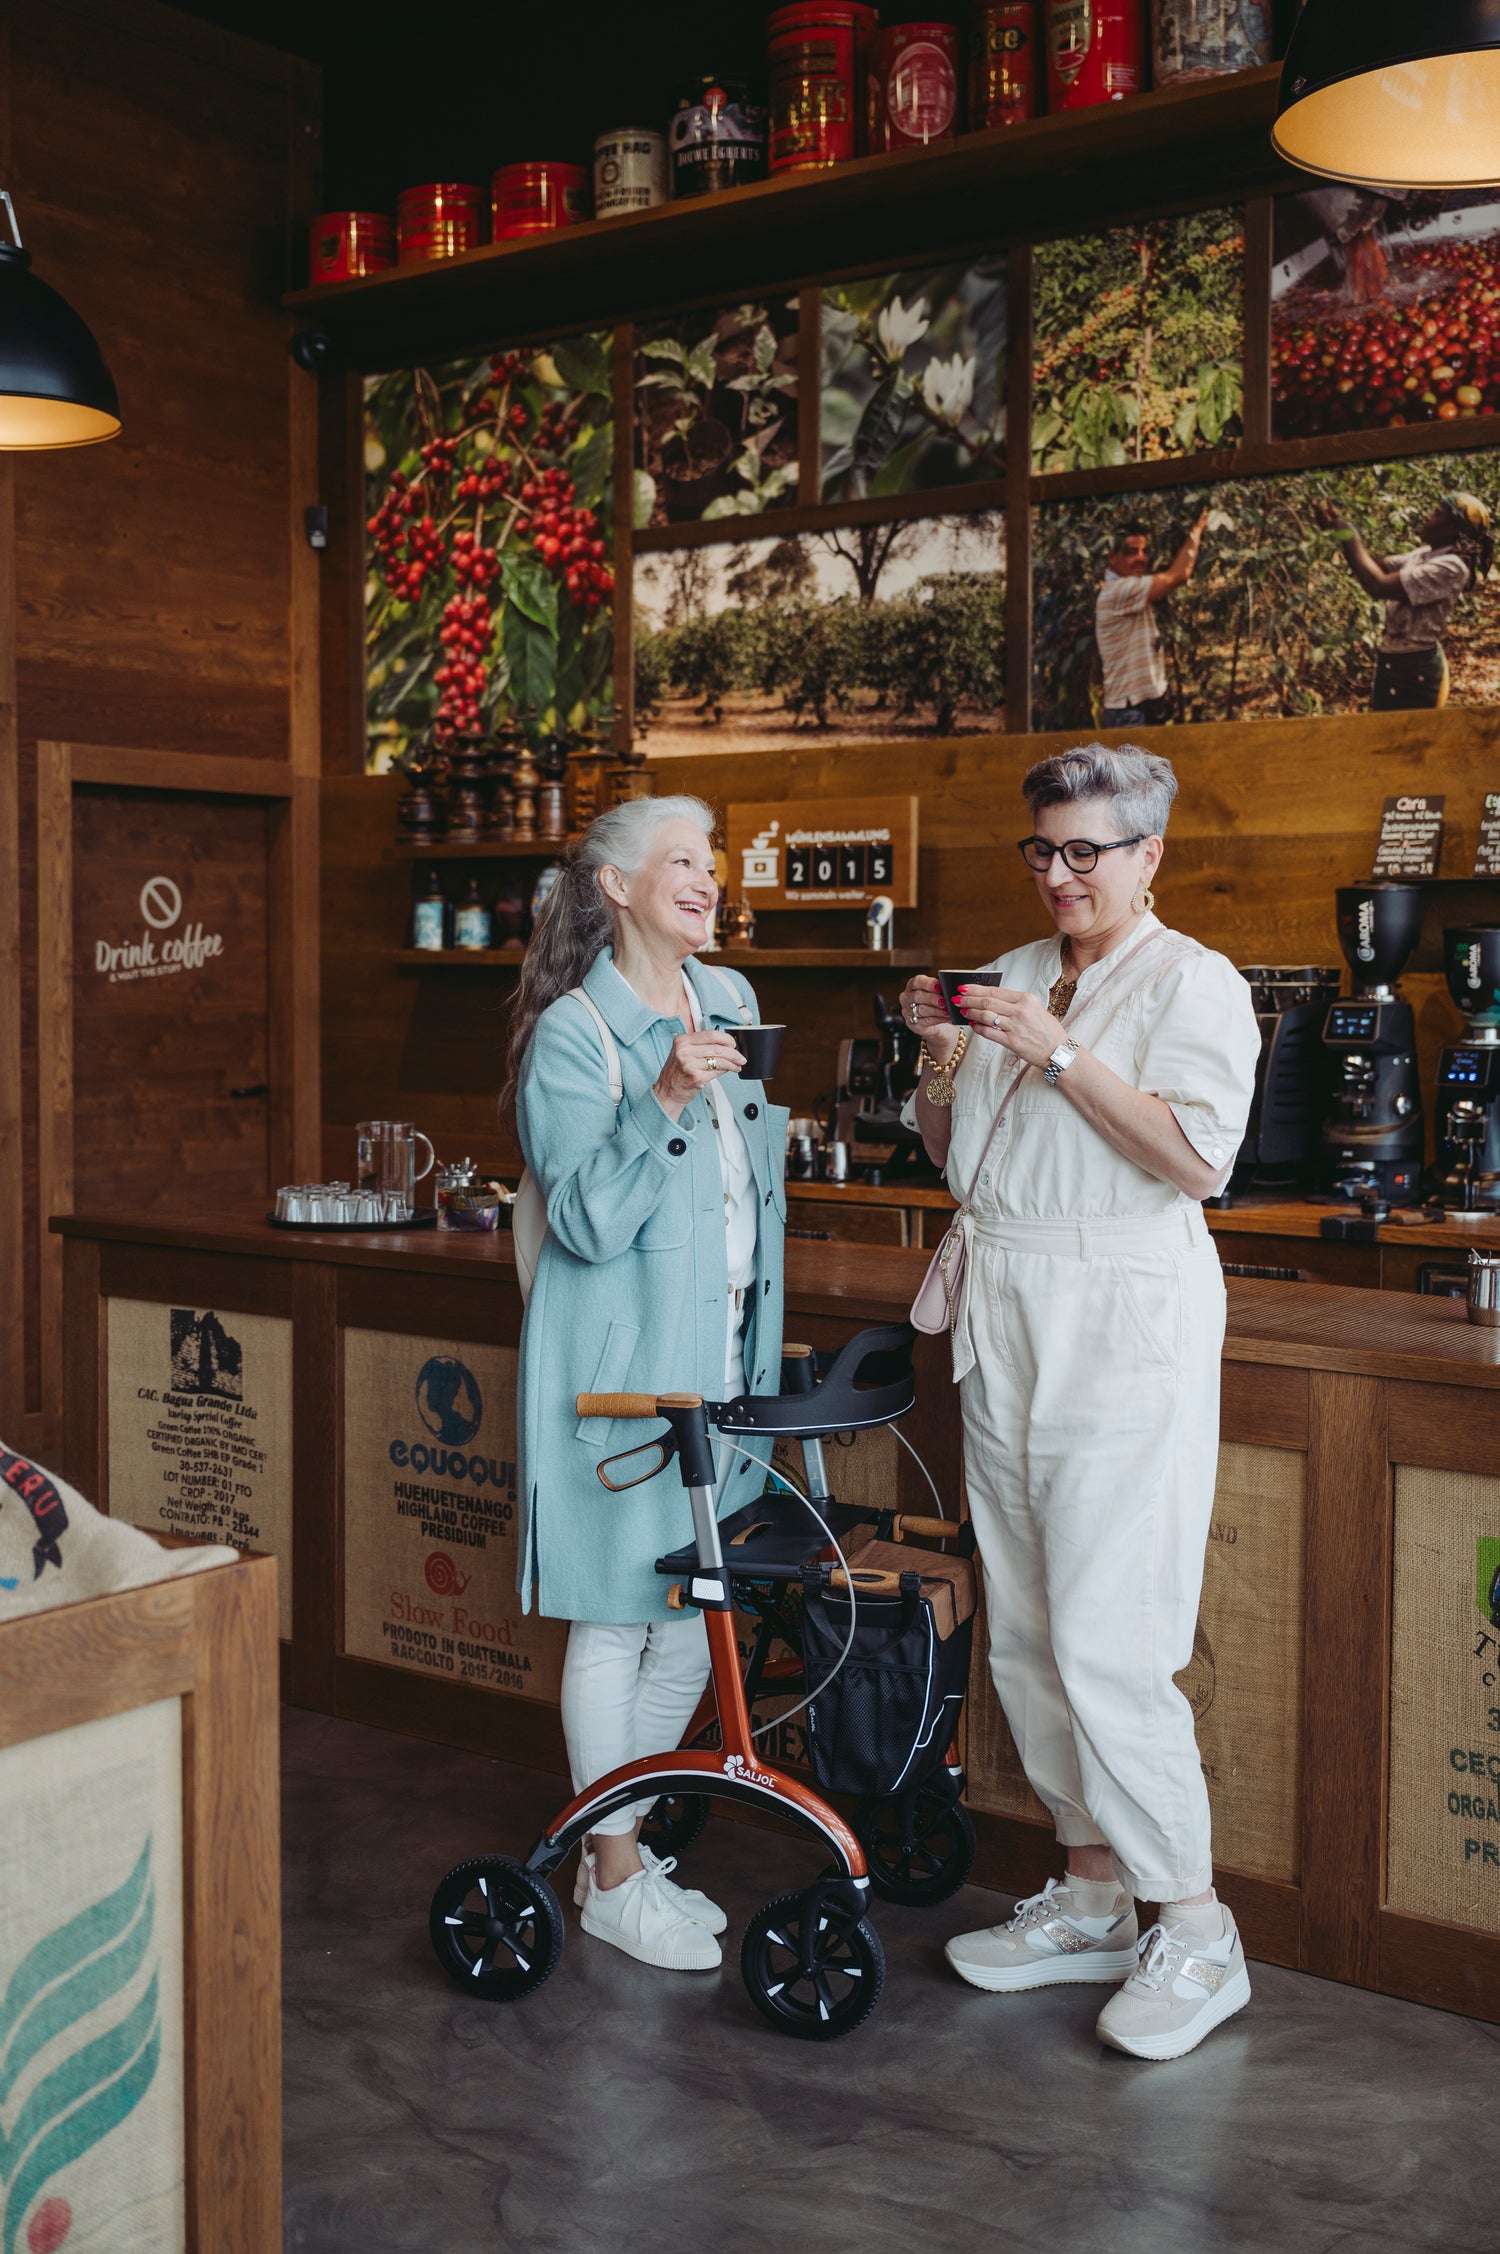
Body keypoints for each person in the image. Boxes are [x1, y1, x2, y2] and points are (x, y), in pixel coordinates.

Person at [899, 743, 1260, 2062]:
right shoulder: (1012, 971)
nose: (1059, 874)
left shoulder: (1193, 983)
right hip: (1010, 1315)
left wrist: (1054, 1052)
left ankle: (1196, 1923)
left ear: (1149, 855)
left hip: (1124, 1322)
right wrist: (942, 1054)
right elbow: (956, 1158)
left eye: (1085, 852)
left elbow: (1195, 1157)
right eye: (1041, 850)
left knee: (1114, 1636)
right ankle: (1095, 1890)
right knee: (1033, 1635)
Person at [503, 795, 786, 1974]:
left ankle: (610, 1835)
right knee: (620, 1617)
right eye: (680, 859)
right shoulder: (575, 1035)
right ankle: (615, 1868)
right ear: (615, 887)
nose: (707, 876)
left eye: (711, 858)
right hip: (620, 1375)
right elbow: (577, 1219)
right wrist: (662, 1097)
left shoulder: (732, 1001)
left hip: (721, 1352)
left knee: (695, 1608)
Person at [1315, 490, 1493, 711]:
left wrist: (1348, 532)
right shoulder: (1424, 555)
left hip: (1417, 672)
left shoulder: (1452, 568)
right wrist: (1338, 530)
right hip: (1394, 662)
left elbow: (1377, 584)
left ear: (1452, 528)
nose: (1428, 516)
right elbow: (1373, 567)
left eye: (1437, 514)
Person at [1094, 509, 1208, 727]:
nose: (1141, 558)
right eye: (1131, 552)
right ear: (1112, 557)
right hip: (1128, 712)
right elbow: (1179, 575)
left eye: (1143, 551)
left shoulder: (1129, 588)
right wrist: (1198, 527)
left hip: (1145, 705)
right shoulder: (1118, 591)